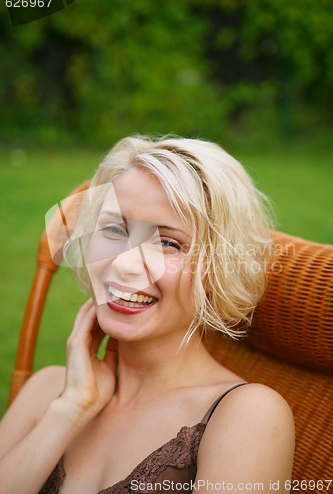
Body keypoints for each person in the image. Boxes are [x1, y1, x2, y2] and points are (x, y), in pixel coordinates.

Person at [0, 136, 295, 493]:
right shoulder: (49, 390)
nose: (124, 265)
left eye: (168, 243)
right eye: (113, 229)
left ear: (219, 269)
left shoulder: (247, 417)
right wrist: (70, 409)